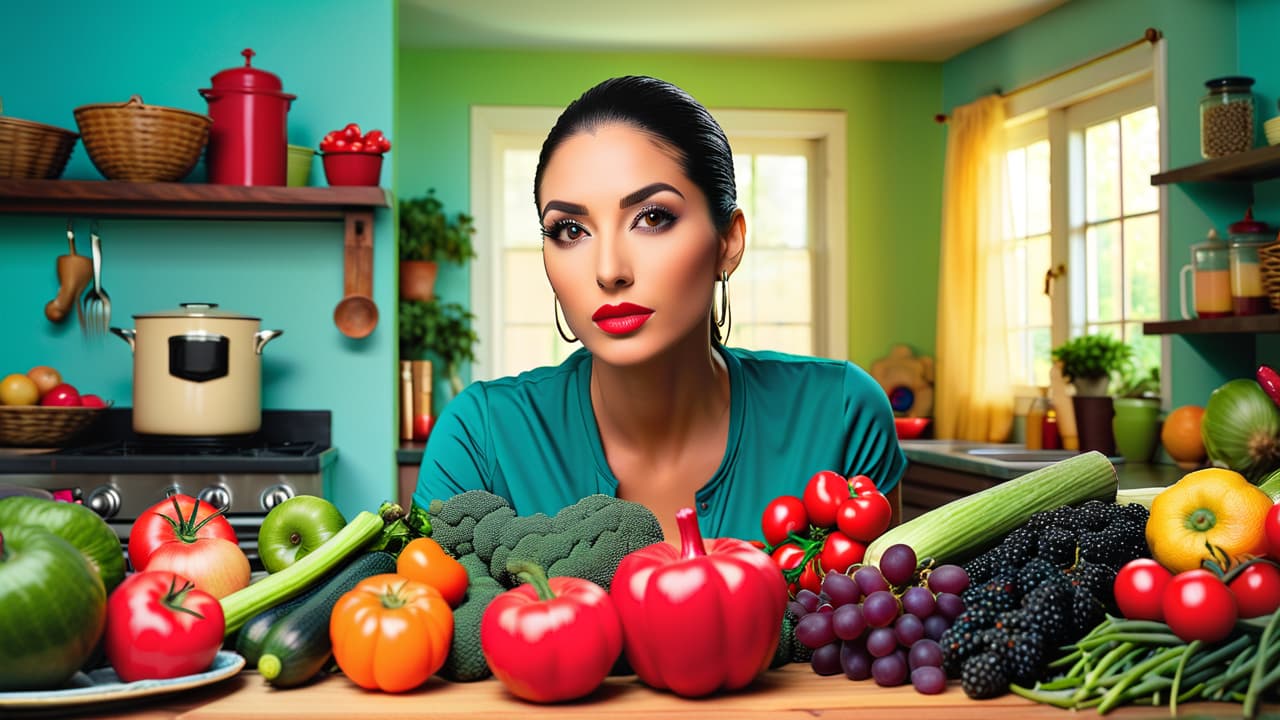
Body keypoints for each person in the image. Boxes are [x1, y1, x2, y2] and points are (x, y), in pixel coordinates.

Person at [414, 75, 906, 544]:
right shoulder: (479, 437)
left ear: (728, 242)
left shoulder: (842, 414)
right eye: (570, 230)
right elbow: (425, 621)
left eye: (652, 218)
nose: (609, 270)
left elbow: (878, 614)